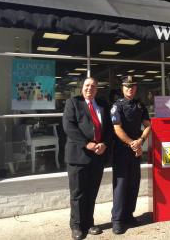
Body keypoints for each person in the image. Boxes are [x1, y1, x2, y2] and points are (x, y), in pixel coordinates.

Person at [62, 77, 114, 240]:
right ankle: (76, 225)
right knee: (78, 193)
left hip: (97, 156)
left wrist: (104, 143)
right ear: (81, 88)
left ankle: (88, 222)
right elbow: (69, 127)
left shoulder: (103, 104)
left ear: (97, 89)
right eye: (86, 85)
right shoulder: (73, 103)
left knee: (91, 192)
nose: (89, 88)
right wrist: (87, 144)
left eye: (93, 86)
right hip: (78, 155)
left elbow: (109, 129)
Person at [110, 75, 151, 234]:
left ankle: (128, 215)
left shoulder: (140, 105)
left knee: (134, 183)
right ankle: (117, 220)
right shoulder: (117, 106)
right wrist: (132, 143)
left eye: (133, 87)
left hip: (136, 150)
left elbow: (148, 126)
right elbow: (117, 128)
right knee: (120, 185)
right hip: (121, 150)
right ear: (123, 88)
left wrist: (140, 141)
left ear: (136, 88)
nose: (130, 89)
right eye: (127, 87)